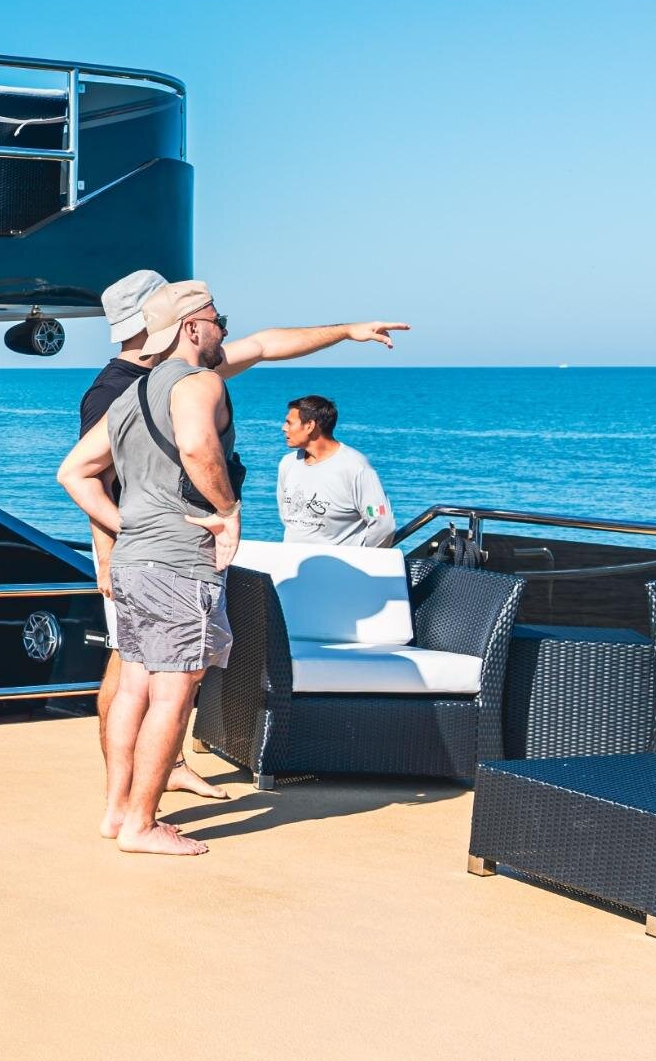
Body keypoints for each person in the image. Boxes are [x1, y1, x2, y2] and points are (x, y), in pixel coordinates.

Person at [77, 271, 411, 802]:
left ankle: (157, 776)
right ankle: (130, 801)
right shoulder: (118, 390)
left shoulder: (175, 372)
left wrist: (348, 330)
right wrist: (109, 556)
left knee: (155, 677)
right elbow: (99, 477)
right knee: (136, 676)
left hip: (152, 551)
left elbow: (265, 344)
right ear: (172, 319)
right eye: (214, 317)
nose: (222, 326)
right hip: (153, 553)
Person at [57, 281, 241, 856]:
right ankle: (142, 825)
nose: (224, 329)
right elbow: (197, 447)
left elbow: (73, 473)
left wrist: (126, 525)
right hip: (179, 562)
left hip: (135, 560)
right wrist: (226, 511)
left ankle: (117, 811)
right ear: (191, 326)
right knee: (174, 693)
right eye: (219, 319)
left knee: (135, 686)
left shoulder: (129, 396)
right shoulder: (197, 382)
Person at [275, 395, 398, 545]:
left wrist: (361, 557)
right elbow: (288, 517)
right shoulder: (288, 464)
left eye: (289, 423)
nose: (284, 428)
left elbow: (383, 525)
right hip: (291, 559)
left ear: (310, 426)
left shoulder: (356, 468)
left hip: (338, 561)